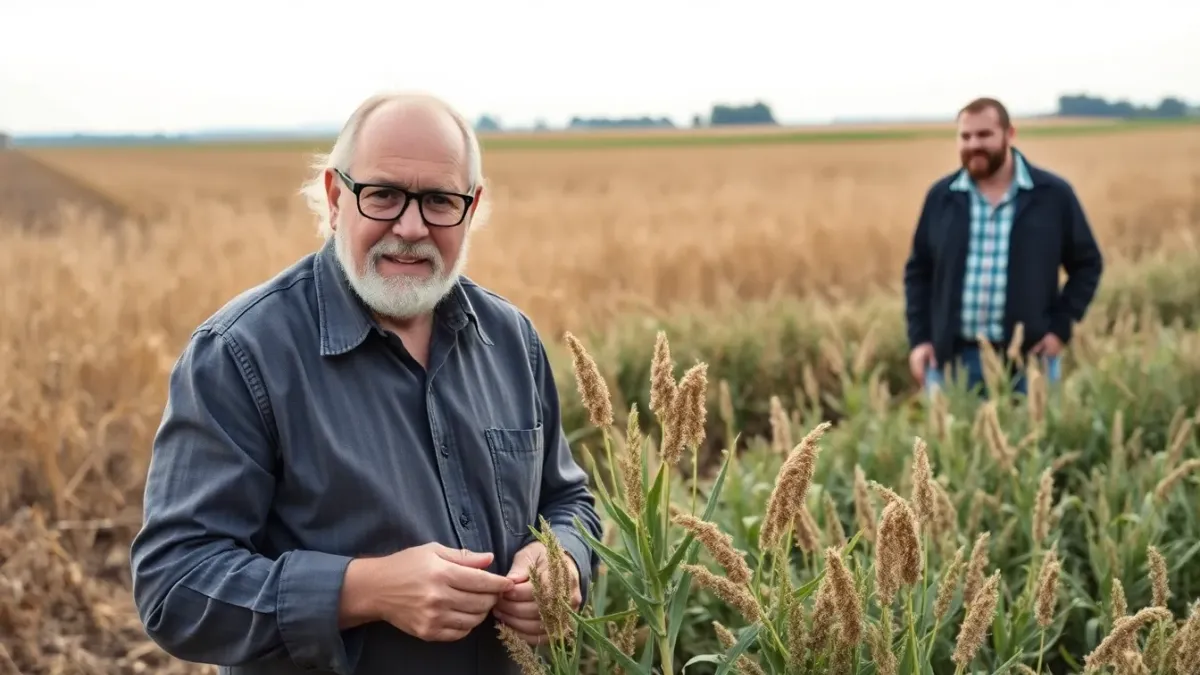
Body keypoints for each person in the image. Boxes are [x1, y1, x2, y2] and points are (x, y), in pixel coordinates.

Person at [130, 92, 602, 675]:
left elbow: (568, 500)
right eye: (382, 195)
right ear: (335, 197)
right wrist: (365, 590)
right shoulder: (241, 354)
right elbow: (175, 585)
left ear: (471, 207)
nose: (410, 227)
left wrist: (566, 560)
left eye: (438, 201)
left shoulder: (510, 340)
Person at [902, 97, 1104, 396]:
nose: (973, 144)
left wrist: (1059, 329)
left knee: (1033, 442)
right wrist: (920, 339)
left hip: (1030, 360)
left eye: (984, 135)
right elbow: (919, 272)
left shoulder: (1052, 195)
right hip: (952, 361)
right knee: (949, 444)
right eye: (965, 136)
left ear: (1010, 134)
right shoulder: (941, 198)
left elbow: (1087, 263)